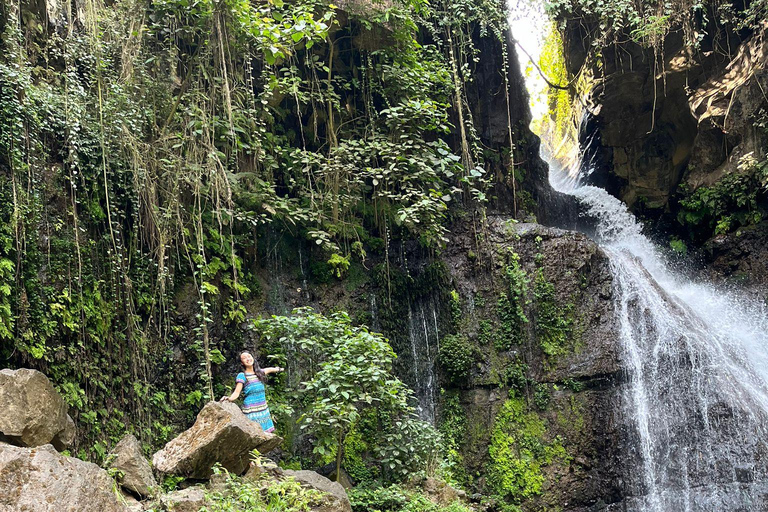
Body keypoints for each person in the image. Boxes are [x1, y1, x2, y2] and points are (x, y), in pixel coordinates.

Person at [220, 351, 284, 433]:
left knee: (266, 437)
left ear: (253, 358)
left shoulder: (259, 373)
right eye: (244, 358)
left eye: (249, 356)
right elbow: (237, 392)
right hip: (251, 411)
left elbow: (270, 369)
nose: (247, 359)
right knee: (255, 434)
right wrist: (229, 398)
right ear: (242, 363)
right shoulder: (242, 375)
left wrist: (279, 369)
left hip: (263, 409)